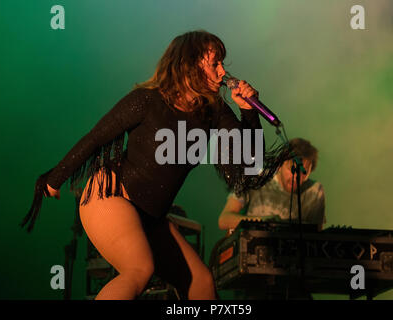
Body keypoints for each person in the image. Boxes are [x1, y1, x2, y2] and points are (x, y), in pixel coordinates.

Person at [21, 30, 280, 300]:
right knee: (139, 269)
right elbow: (96, 138)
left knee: (201, 283)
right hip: (110, 197)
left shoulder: (214, 111)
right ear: (189, 65)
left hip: (151, 216)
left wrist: (249, 112)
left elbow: (250, 163)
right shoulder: (148, 100)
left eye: (222, 64)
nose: (222, 72)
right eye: (214, 63)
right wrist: (54, 179)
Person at [219, 138, 326, 233]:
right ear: (279, 165)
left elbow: (317, 234)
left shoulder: (315, 191)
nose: (296, 177)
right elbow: (224, 220)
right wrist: (264, 222)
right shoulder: (256, 178)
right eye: (292, 169)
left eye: (304, 172)